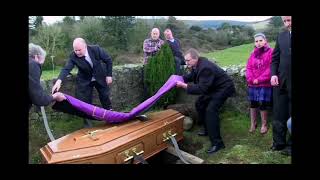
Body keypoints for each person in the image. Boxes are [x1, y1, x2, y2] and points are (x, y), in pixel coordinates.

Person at [176, 48, 235, 154]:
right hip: (213, 88)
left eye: (188, 60)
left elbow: (201, 89)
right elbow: (192, 76)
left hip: (223, 88)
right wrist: (180, 78)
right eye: (186, 60)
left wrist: (184, 86)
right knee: (199, 103)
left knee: (211, 111)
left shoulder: (205, 67)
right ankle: (207, 129)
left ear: (195, 58)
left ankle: (218, 143)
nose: (186, 63)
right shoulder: (197, 64)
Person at [51, 38, 113, 127]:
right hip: (85, 79)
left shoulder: (96, 49)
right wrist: (58, 81)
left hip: (100, 76)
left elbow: (108, 60)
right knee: (84, 101)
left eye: (79, 50)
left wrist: (109, 75)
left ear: (85, 46)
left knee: (105, 97)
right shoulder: (73, 56)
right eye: (75, 50)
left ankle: (111, 118)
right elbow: (66, 69)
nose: (77, 52)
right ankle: (88, 124)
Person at [270, 16, 292, 153]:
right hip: (281, 82)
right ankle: (279, 143)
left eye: (289, 20)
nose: (287, 24)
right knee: (279, 113)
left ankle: (291, 146)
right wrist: (273, 74)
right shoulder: (281, 36)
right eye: (285, 21)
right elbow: (275, 58)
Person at [245, 33, 273, 134]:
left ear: (265, 41)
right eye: (256, 41)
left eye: (260, 40)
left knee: (262, 103)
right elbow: (248, 67)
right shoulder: (252, 53)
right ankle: (253, 123)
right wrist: (251, 78)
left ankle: (264, 125)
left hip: (264, 83)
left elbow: (270, 68)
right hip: (253, 83)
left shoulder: (271, 52)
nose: (258, 43)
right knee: (253, 103)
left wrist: (259, 79)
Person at [29, 43, 66, 112]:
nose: (39, 67)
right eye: (40, 65)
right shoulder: (32, 64)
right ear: (36, 57)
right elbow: (39, 99)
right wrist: (54, 97)